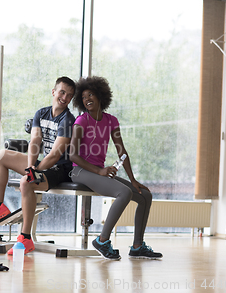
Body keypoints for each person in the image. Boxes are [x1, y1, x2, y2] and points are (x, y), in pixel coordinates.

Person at [68, 76, 162, 260]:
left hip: (97, 171)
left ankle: (137, 246)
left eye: (91, 95)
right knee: (124, 193)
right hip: (79, 171)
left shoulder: (111, 121)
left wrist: (133, 180)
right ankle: (102, 241)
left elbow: (122, 151)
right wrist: (100, 171)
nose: (87, 99)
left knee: (145, 195)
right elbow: (73, 155)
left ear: (101, 96)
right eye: (84, 96)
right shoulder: (81, 121)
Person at [0, 76, 76, 255]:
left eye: (69, 95)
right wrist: (30, 167)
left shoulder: (67, 120)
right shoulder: (41, 113)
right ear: (54, 92)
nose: (65, 97)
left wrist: (33, 173)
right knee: (1, 156)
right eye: (62, 92)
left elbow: (55, 155)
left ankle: (26, 238)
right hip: (43, 164)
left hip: (61, 169)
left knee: (26, 182)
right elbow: (35, 141)